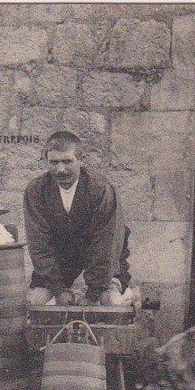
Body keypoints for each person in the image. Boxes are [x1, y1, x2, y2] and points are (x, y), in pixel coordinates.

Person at [23, 130, 131, 307]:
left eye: (67, 161)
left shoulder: (101, 190)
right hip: (61, 258)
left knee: (110, 302)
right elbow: (39, 244)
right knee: (35, 301)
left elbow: (106, 244)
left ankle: (131, 295)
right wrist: (58, 289)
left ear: (81, 159)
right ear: (45, 160)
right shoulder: (36, 190)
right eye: (54, 162)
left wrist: (93, 293)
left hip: (102, 256)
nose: (61, 170)